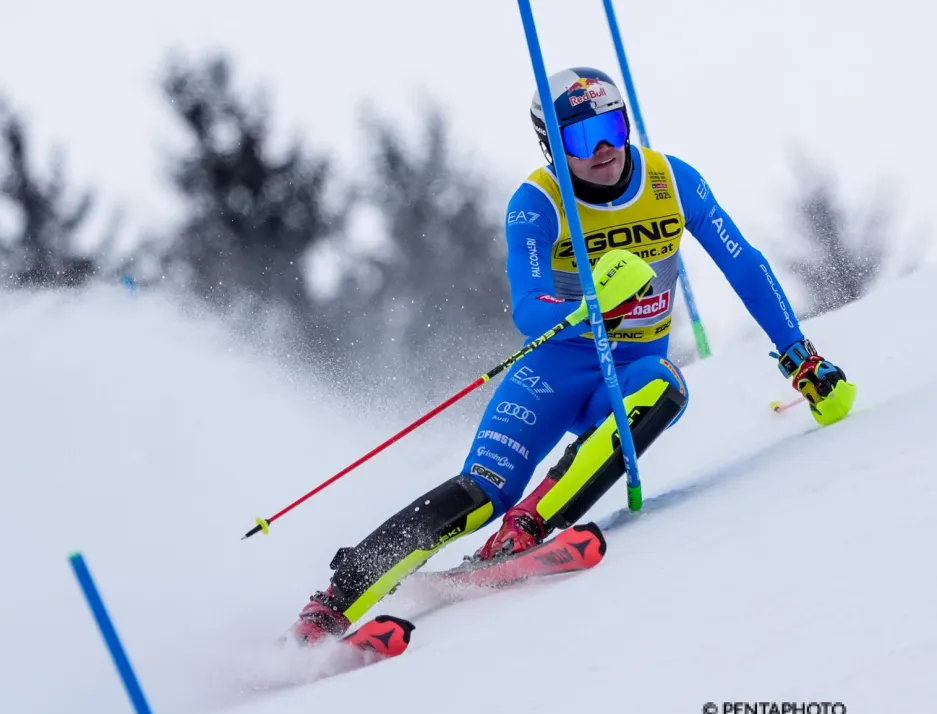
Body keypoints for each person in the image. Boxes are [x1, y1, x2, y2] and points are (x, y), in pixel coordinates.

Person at [287, 67, 857, 644]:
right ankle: (332, 606)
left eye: (613, 126)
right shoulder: (537, 202)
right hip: (555, 371)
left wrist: (800, 358)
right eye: (582, 139)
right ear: (551, 146)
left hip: (628, 372)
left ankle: (524, 530)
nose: (605, 148)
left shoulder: (670, 180)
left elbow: (745, 266)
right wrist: (587, 308)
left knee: (665, 384)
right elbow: (527, 307)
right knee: (481, 489)